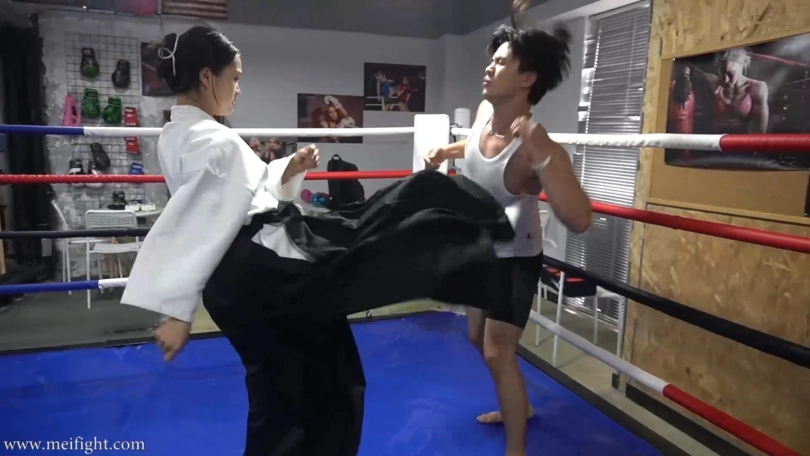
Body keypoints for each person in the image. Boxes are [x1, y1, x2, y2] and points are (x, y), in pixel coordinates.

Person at [121, 26, 521, 456]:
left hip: (251, 272)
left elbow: (237, 194)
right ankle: (470, 233)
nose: (238, 89)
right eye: (234, 78)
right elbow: (199, 218)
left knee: (300, 385)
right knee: (313, 383)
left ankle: (464, 227)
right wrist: (178, 310)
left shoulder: (182, 134)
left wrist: (287, 169)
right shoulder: (208, 139)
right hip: (262, 273)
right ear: (206, 77)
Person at [424, 23, 592, 456]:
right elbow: (475, 146)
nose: (488, 67)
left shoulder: (536, 146)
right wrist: (446, 151)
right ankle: (520, 406)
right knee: (477, 340)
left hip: (514, 257)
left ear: (527, 78)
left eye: (500, 62)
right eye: (492, 59)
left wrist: (543, 155)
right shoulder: (485, 110)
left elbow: (580, 219)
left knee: (498, 353)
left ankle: (516, 447)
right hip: (478, 249)